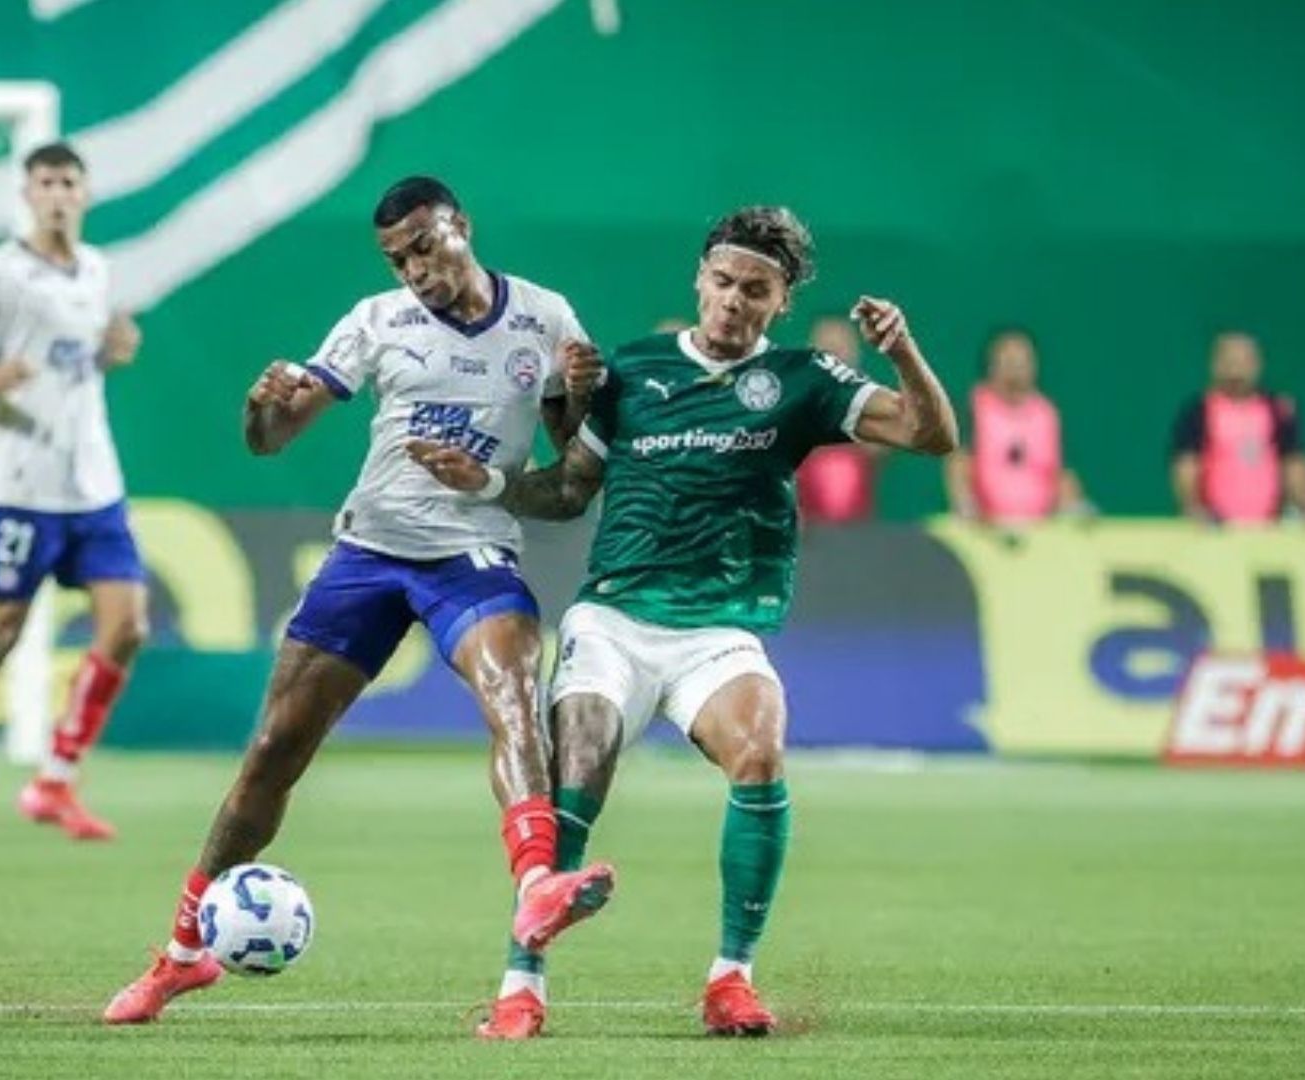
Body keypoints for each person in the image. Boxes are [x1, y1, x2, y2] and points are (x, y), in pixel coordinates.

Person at [410, 206, 958, 1038]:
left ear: (780, 302)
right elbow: (566, 492)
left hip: (715, 632)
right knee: (579, 768)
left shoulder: (806, 380)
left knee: (761, 745)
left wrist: (902, 350)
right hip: (616, 620)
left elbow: (933, 434)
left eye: (757, 291)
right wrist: (486, 483)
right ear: (700, 279)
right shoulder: (632, 371)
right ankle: (521, 988)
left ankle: (730, 980)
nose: (735, 301)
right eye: (725, 282)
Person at [100, 176, 613, 1025]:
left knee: (516, 700)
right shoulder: (375, 321)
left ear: (462, 225)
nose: (413, 268)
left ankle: (534, 885)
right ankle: (182, 954)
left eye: (424, 246)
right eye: (397, 257)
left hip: (474, 554)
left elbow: (573, 471)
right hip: (370, 554)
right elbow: (272, 440)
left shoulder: (546, 319)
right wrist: (260, 407)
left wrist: (585, 396)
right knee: (273, 750)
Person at [0, 141, 147, 844]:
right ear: (27, 192)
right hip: (20, 481)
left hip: (93, 479)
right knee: (0, 629)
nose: (57, 193)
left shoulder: (97, 269)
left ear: (85, 192)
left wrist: (115, 349)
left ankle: (55, 779)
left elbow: (89, 354)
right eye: (45, 181)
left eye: (68, 181)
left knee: (128, 624)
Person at [1170, 331, 1305, 524]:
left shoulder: (1278, 410)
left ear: (1257, 365)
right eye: (1229, 362)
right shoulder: (1198, 411)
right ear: (1214, 365)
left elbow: (1294, 463)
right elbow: (1186, 466)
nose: (1236, 371)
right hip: (1214, 528)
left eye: (1243, 362)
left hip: (1271, 527)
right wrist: (1193, 508)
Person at [944, 328, 1088, 524]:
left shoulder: (1048, 414)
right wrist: (965, 508)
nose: (1015, 367)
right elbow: (958, 464)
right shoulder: (975, 407)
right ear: (991, 365)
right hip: (986, 532)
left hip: (1039, 533)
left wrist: (1070, 511)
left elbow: (1062, 475)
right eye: (1008, 359)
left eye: (1022, 360)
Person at [796, 314, 888, 525]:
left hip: (857, 530)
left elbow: (881, 450)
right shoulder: (792, 398)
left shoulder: (872, 401)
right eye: (827, 348)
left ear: (855, 352)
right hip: (804, 531)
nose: (834, 356)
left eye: (840, 347)